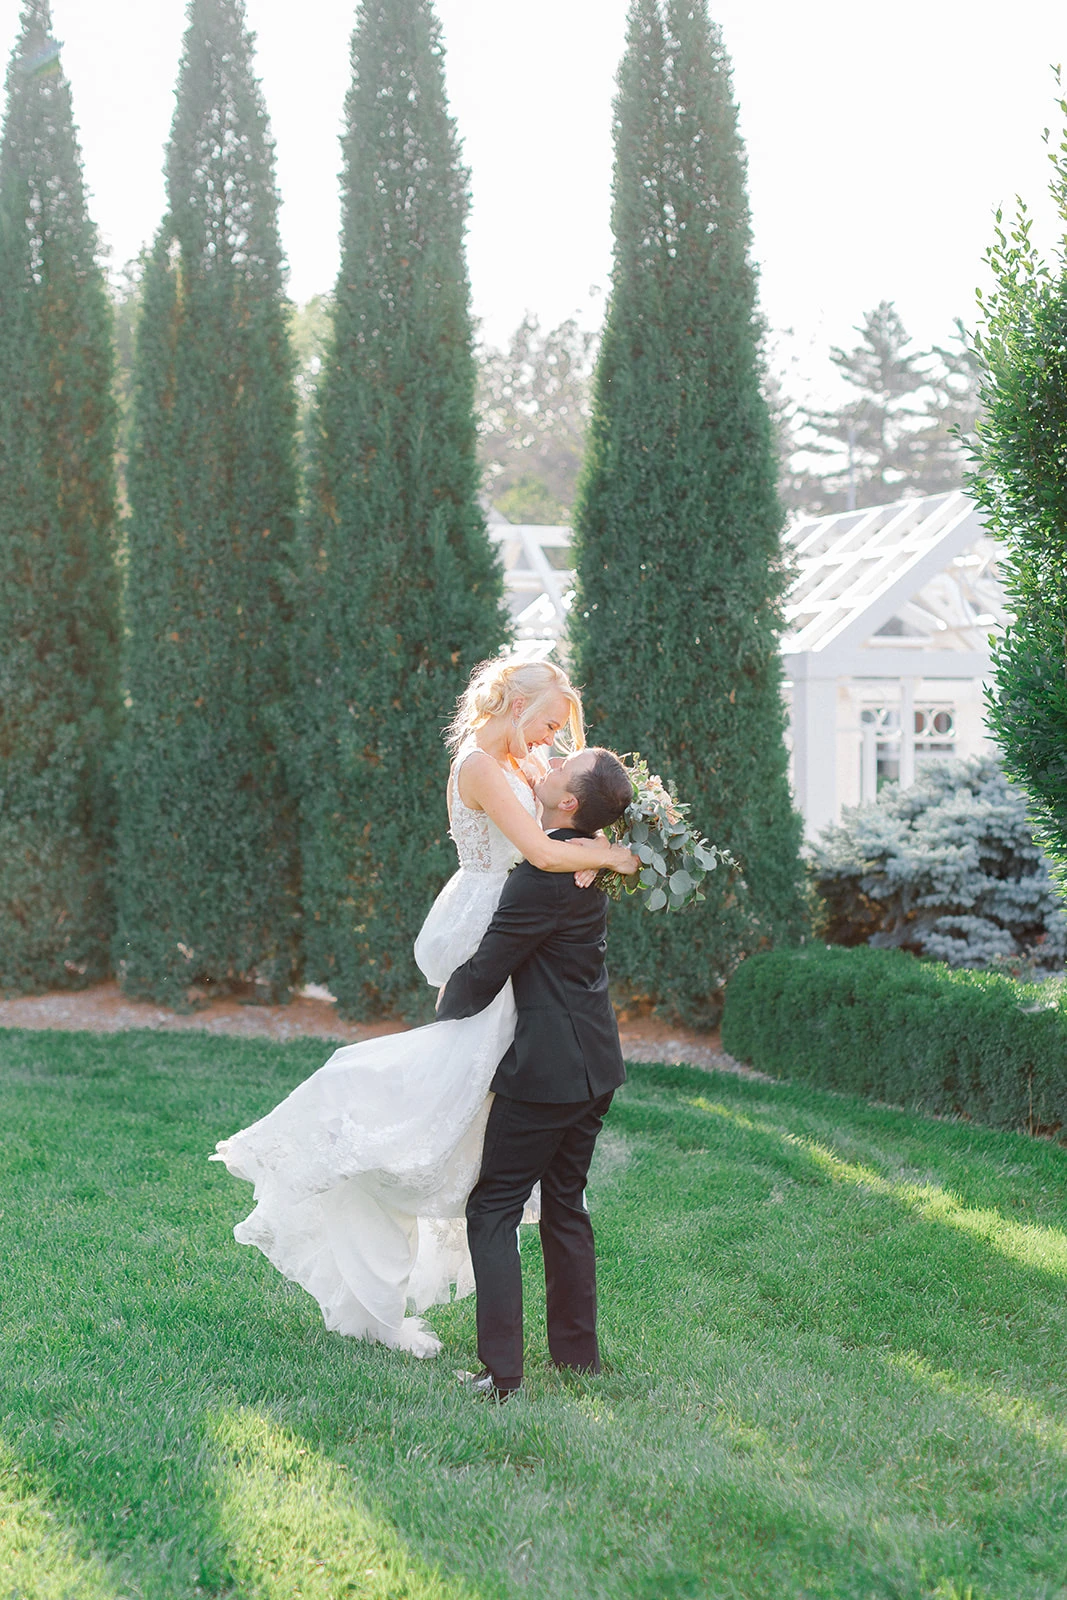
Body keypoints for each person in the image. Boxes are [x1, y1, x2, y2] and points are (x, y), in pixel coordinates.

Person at [212, 658, 637, 1357]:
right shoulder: (478, 766)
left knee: (474, 1107)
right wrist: (616, 856)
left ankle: (481, 1221)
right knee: (439, 1093)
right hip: (494, 921)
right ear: (513, 702)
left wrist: (609, 831)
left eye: (560, 732)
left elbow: (571, 812)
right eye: (549, 723)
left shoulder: (526, 757)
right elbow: (537, 847)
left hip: (524, 930)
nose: (553, 743)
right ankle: (366, 1154)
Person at [436, 746, 634, 1402]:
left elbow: (487, 970)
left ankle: (501, 1375)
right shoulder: (587, 863)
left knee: (492, 1206)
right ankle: (578, 1360)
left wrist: (439, 1020)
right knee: (566, 1203)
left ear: (568, 803)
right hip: (596, 1064)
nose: (541, 770)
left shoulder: (545, 872)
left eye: (557, 770)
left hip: (545, 1074)